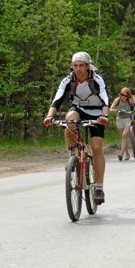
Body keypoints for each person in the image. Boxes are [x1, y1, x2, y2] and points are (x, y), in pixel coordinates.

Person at [43, 52, 109, 204]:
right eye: (75, 66)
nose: (78, 69)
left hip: (97, 112)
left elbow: (105, 99)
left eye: (81, 66)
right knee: (69, 121)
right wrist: (49, 116)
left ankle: (98, 187)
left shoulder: (97, 80)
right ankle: (74, 156)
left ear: (87, 67)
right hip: (78, 109)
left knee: (96, 146)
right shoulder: (68, 80)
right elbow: (57, 99)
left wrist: (104, 116)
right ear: (72, 67)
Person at [110, 87, 135, 160]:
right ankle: (127, 154)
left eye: (125, 95)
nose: (123, 96)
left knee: (124, 135)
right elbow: (111, 108)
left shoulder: (130, 100)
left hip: (128, 119)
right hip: (119, 119)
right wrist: (116, 110)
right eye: (122, 94)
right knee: (123, 138)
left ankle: (121, 154)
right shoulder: (117, 100)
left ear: (128, 95)